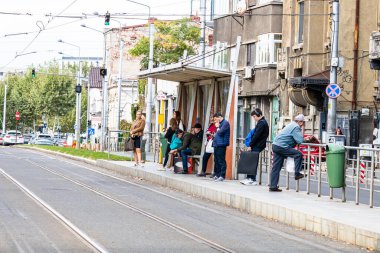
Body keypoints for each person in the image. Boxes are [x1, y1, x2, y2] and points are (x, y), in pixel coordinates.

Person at [270, 114, 310, 192]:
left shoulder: (291, 124)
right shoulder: (296, 127)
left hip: (276, 145)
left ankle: (273, 186)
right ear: (300, 122)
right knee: (298, 154)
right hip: (282, 146)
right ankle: (297, 174)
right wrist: (307, 139)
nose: (303, 125)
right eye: (303, 123)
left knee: (276, 167)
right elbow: (300, 140)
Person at [240, 108, 269, 186]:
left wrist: (250, 145)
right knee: (251, 161)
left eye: (254, 117)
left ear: (257, 115)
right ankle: (249, 178)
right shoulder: (262, 122)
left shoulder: (262, 123)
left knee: (253, 162)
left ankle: (252, 179)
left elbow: (256, 136)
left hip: (257, 145)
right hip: (257, 145)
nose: (254, 119)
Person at [212, 112, 230, 182]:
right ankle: (217, 174)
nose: (215, 121)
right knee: (216, 160)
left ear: (219, 117)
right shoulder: (220, 124)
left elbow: (220, 132)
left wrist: (217, 127)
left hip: (221, 144)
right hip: (217, 144)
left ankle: (222, 175)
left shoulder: (225, 123)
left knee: (221, 160)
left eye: (216, 119)